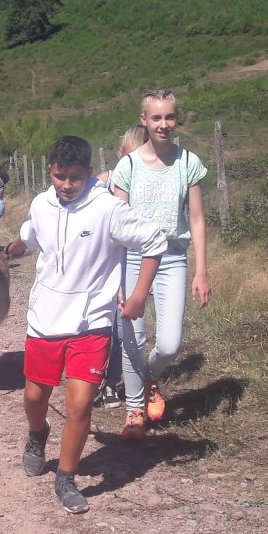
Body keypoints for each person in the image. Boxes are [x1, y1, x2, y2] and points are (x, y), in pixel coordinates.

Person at [5, 135, 166, 513]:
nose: (67, 185)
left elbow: (154, 241)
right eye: (60, 176)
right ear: (50, 172)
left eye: (75, 178)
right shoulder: (41, 204)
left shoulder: (107, 209)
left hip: (91, 322)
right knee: (34, 397)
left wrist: (140, 294)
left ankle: (66, 477)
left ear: (89, 174)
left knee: (79, 405)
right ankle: (37, 433)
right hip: (45, 320)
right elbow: (28, 237)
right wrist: (2, 249)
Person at [110, 90, 211, 441]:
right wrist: (116, 275)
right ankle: (134, 411)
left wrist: (201, 270)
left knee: (169, 344)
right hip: (133, 257)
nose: (164, 124)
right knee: (132, 338)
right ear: (144, 120)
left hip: (172, 258)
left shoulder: (188, 163)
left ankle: (149, 378)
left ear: (176, 119)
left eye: (169, 117)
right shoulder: (129, 166)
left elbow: (196, 219)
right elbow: (117, 226)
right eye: (156, 118)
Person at [97, 124, 149, 409]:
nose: (133, 162)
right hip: (108, 262)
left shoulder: (148, 182)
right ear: (120, 154)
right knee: (107, 325)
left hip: (135, 261)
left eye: (140, 156)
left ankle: (118, 382)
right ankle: (101, 379)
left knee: (124, 326)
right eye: (129, 155)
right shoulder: (105, 181)